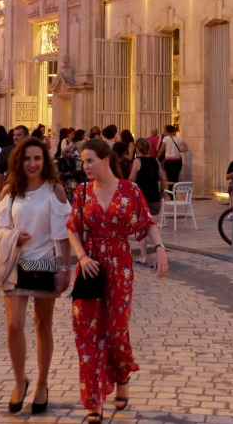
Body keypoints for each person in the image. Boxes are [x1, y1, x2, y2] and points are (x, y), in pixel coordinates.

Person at [66, 139, 169, 423]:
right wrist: (82, 257)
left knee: (115, 330)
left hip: (120, 266)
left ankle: (122, 377)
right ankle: (94, 398)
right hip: (90, 268)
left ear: (106, 160)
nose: (85, 166)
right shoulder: (82, 191)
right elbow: (72, 228)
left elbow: (147, 222)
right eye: (83, 161)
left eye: (90, 161)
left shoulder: (129, 191)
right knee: (87, 333)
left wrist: (159, 250)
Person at [0, 137, 71, 415]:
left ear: (45, 160)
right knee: (14, 324)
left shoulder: (55, 191)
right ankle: (19, 381)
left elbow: (64, 233)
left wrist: (65, 268)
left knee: (43, 325)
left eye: (37, 158)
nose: (32, 164)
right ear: (19, 161)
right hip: (15, 263)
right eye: (27, 159)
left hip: (46, 263)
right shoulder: (10, 191)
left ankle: (41, 384)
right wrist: (15, 236)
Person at [129, 138, 165, 218]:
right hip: (155, 195)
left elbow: (132, 179)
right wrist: (162, 191)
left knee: (142, 223)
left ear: (137, 149)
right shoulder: (155, 160)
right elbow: (162, 178)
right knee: (153, 223)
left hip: (142, 196)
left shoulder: (137, 161)